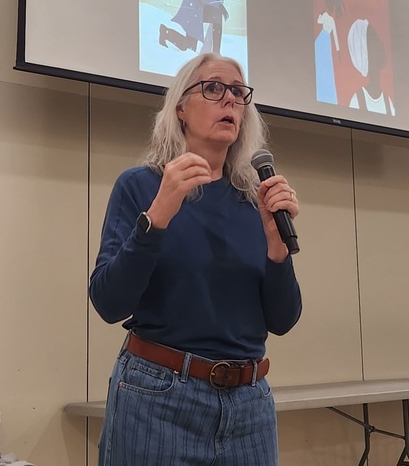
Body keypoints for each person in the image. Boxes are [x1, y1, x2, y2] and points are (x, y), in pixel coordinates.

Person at [90, 52, 302, 466]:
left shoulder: (253, 202)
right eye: (213, 88)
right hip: (158, 398)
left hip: (249, 406)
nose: (229, 100)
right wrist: (158, 216)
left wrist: (278, 250)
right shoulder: (142, 185)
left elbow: (283, 319)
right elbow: (108, 303)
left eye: (239, 93)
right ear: (181, 109)